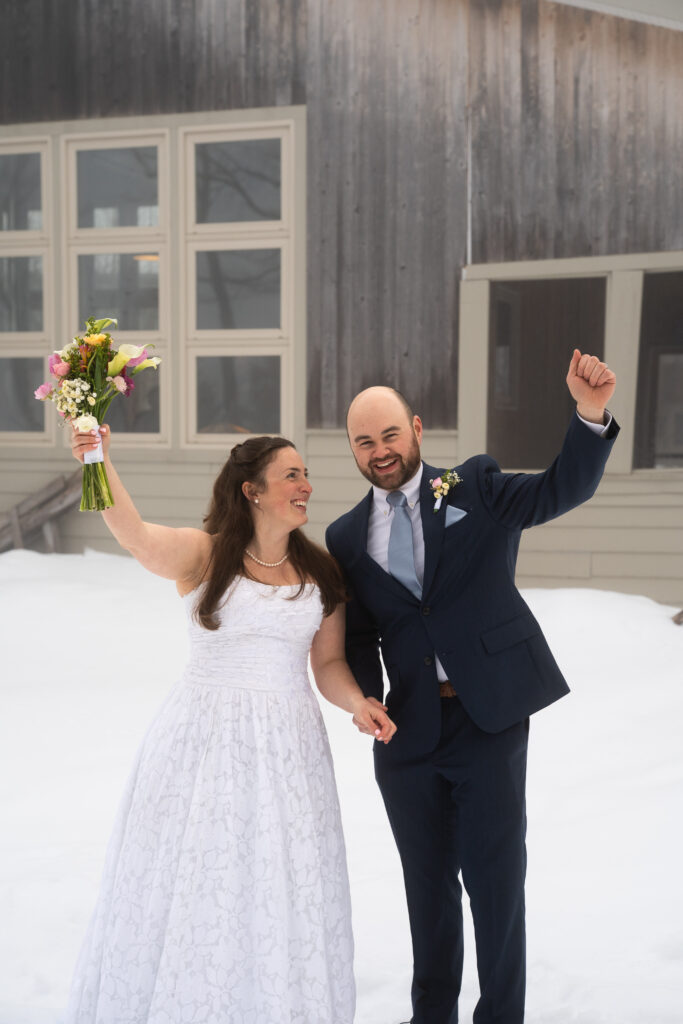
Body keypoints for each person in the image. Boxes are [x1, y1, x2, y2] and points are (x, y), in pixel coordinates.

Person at [325, 350, 619, 1024]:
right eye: (364, 441)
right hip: (406, 734)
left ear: (417, 430)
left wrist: (589, 414)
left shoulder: (474, 487)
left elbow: (558, 490)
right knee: (425, 890)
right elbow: (364, 633)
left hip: (487, 720)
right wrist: (365, 697)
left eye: (389, 435)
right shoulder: (344, 536)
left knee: (493, 886)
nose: (379, 451)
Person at [64, 428, 396, 1024]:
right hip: (201, 743)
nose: (306, 486)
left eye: (305, 474)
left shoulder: (320, 570)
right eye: (291, 475)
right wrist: (96, 458)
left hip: (288, 751)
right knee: (199, 878)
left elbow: (326, 663)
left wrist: (357, 703)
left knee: (273, 885)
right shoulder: (205, 554)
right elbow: (135, 537)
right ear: (252, 490)